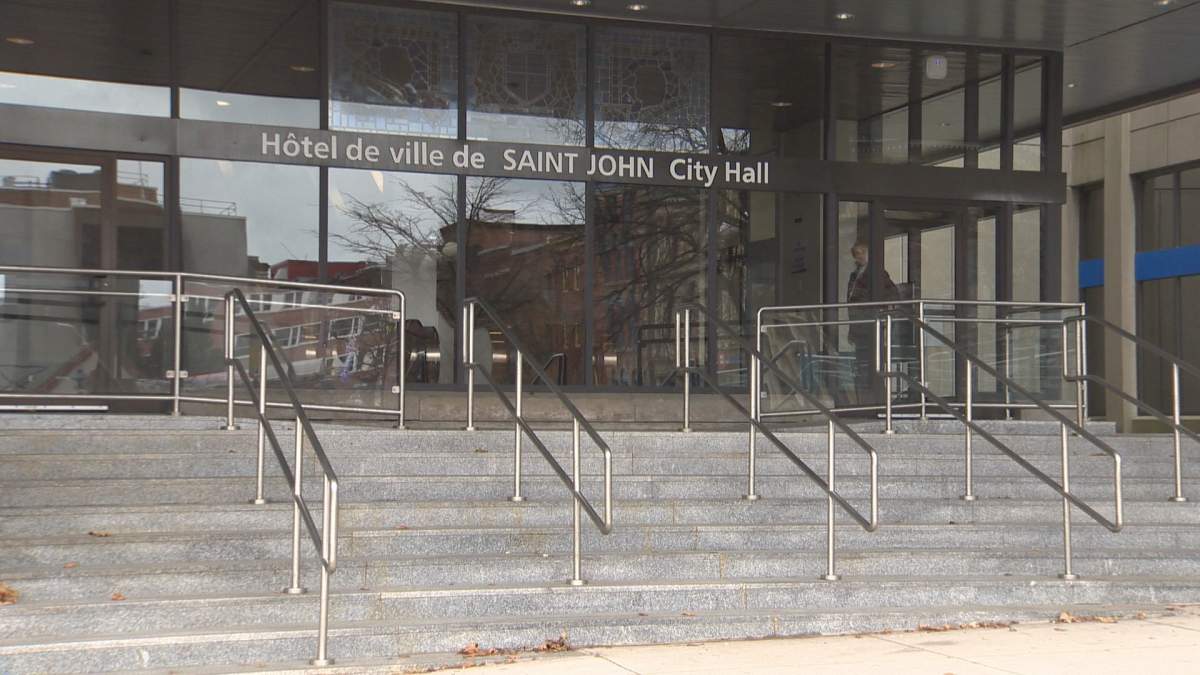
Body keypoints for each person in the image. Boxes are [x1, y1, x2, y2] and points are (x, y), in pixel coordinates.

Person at [845, 242, 898, 404]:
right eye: (856, 253)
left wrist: (881, 313)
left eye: (861, 252)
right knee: (862, 363)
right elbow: (851, 304)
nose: (859, 256)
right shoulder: (854, 275)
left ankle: (878, 399)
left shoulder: (877, 273)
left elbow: (893, 294)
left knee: (874, 362)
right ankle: (865, 399)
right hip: (860, 324)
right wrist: (852, 329)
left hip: (872, 324)